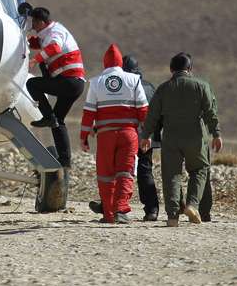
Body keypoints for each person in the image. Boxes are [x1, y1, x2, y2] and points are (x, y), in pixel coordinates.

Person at [140, 52, 222, 227]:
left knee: (171, 175)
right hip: (196, 137)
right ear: (190, 69)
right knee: (199, 170)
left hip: (171, 138)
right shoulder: (202, 86)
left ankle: (172, 216)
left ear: (171, 69)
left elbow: (152, 116)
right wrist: (216, 134)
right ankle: (192, 205)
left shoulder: (163, 88)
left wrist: (145, 135)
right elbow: (210, 112)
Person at [88, 54, 161, 221]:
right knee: (144, 171)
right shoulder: (149, 86)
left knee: (114, 171)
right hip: (147, 136)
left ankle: (112, 207)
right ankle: (151, 210)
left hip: (129, 135)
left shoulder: (124, 85)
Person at [80, 44, 147, 224]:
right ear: (119, 62)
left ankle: (109, 215)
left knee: (105, 175)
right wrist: (147, 134)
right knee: (125, 172)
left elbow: (88, 113)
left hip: (105, 136)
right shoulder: (134, 80)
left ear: (105, 62)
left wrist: (84, 136)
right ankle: (121, 211)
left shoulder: (95, 82)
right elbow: (143, 110)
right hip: (128, 134)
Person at [25, 7, 86, 169]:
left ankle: (47, 117)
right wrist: (25, 39)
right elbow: (38, 43)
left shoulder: (55, 32)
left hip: (69, 81)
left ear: (41, 22)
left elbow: (54, 48)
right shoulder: (47, 34)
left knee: (32, 84)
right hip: (75, 84)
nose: (33, 26)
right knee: (58, 122)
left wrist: (34, 61)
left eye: (34, 22)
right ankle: (65, 162)